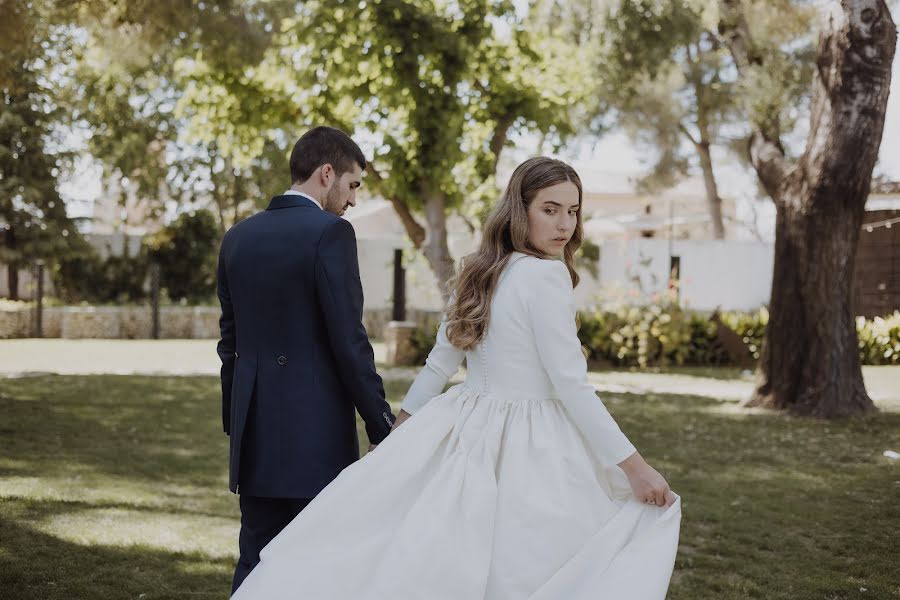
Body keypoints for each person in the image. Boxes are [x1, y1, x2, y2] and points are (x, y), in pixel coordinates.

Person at [231, 156, 681, 599]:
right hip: (532, 439)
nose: (564, 224)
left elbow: (438, 366)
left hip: (465, 424)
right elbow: (571, 385)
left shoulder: (478, 272)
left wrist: (400, 435)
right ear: (519, 210)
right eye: (550, 209)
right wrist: (636, 469)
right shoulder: (545, 276)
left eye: (573, 211)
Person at [216, 126, 395, 594]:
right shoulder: (331, 233)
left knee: (256, 561)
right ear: (327, 173)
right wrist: (382, 424)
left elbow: (229, 343)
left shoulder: (237, 237)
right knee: (316, 565)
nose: (352, 200)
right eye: (353, 185)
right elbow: (348, 340)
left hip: (252, 434)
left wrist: (235, 421)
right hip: (312, 438)